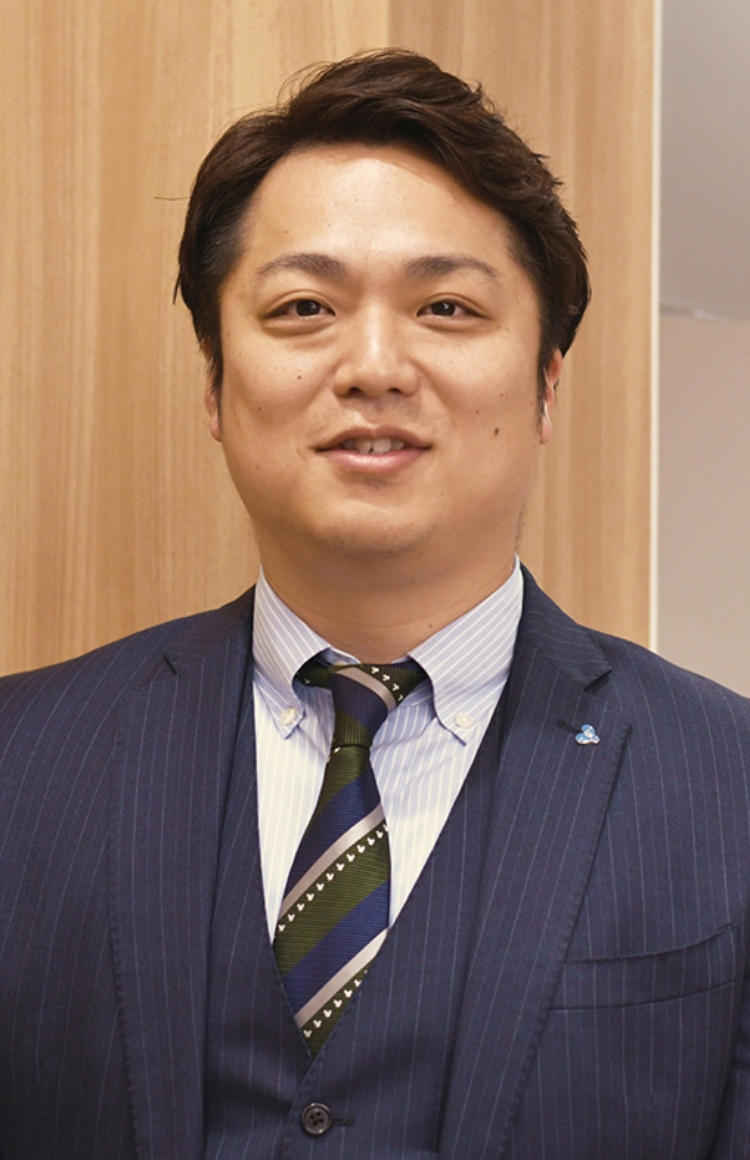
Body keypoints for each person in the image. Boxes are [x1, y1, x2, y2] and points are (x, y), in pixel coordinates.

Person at [0, 48, 748, 1160]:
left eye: (446, 306)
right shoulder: (20, 759)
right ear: (214, 382)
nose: (375, 365)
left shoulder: (730, 782)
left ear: (547, 383)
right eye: (304, 306)